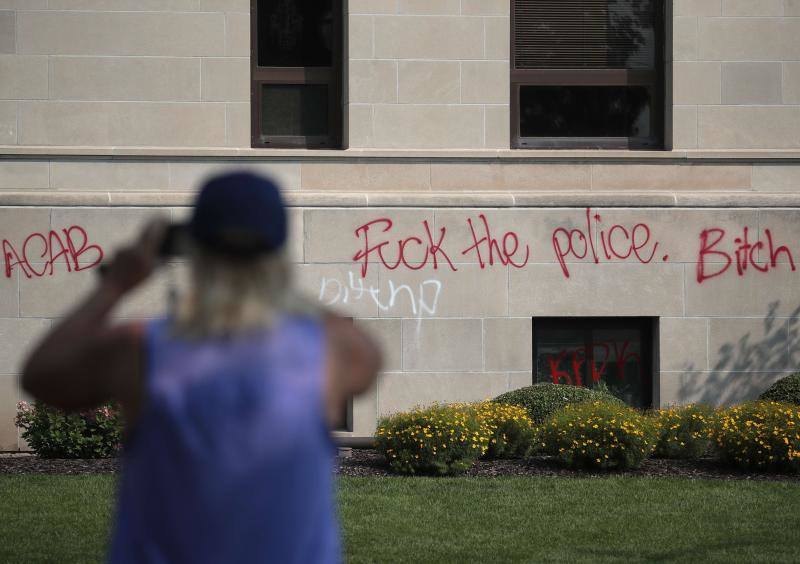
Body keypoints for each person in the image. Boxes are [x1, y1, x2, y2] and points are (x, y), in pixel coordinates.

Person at [21, 172, 381, 563]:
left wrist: (117, 284)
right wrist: (276, 285)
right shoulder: (335, 350)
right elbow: (365, 354)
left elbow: (42, 374)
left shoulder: (138, 348)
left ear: (194, 248)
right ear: (277, 253)